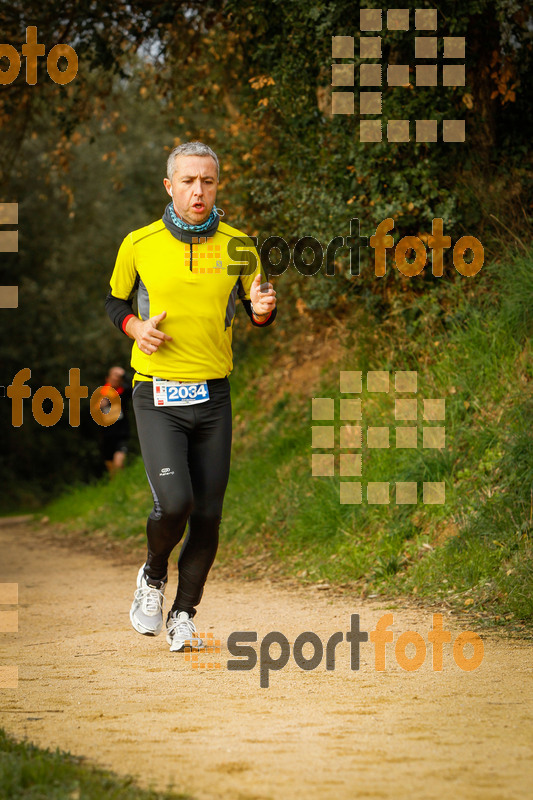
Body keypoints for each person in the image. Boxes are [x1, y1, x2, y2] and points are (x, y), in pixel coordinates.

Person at [105, 141, 276, 652]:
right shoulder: (139, 243)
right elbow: (115, 302)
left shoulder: (240, 245)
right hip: (155, 393)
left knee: (208, 513)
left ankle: (184, 612)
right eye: (188, 181)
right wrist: (136, 327)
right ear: (169, 186)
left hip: (213, 395)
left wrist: (265, 308)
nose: (198, 191)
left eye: (207, 181)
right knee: (175, 501)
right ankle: (153, 575)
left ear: (217, 185)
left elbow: (256, 310)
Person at [99, 365, 131, 476]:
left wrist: (124, 375)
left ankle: (122, 482)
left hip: (121, 433)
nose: (116, 379)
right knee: (111, 467)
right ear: (107, 378)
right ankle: (117, 486)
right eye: (114, 376)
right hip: (106, 435)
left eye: (119, 377)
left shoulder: (123, 391)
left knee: (118, 463)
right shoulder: (101, 394)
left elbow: (133, 385)